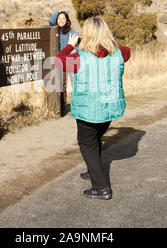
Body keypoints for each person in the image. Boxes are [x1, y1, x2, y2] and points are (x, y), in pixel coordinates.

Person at [55, 16, 130, 200]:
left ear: (87, 35)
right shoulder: (119, 53)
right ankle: (93, 169)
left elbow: (58, 61)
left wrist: (69, 46)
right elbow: (126, 51)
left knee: (86, 143)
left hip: (88, 109)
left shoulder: (80, 57)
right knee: (95, 138)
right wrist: (109, 41)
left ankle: (101, 187)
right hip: (110, 107)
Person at [48, 11, 81, 115]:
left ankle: (77, 106)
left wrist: (75, 49)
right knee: (62, 84)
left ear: (67, 20)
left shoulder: (70, 31)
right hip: (60, 60)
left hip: (70, 60)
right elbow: (50, 21)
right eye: (59, 19)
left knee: (75, 83)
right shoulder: (55, 29)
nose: (61, 20)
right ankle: (62, 108)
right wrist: (59, 12)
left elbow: (79, 39)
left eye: (63, 18)